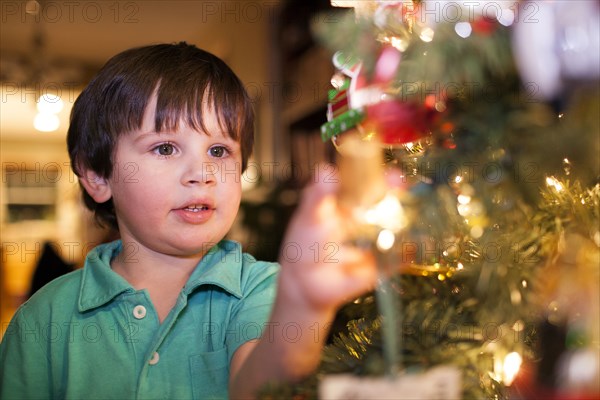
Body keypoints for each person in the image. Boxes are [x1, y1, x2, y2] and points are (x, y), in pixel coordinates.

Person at [0, 42, 377, 399]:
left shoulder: (265, 290)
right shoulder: (42, 318)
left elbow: (259, 388)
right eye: (165, 148)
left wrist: (300, 303)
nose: (202, 172)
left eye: (219, 150)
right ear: (98, 177)